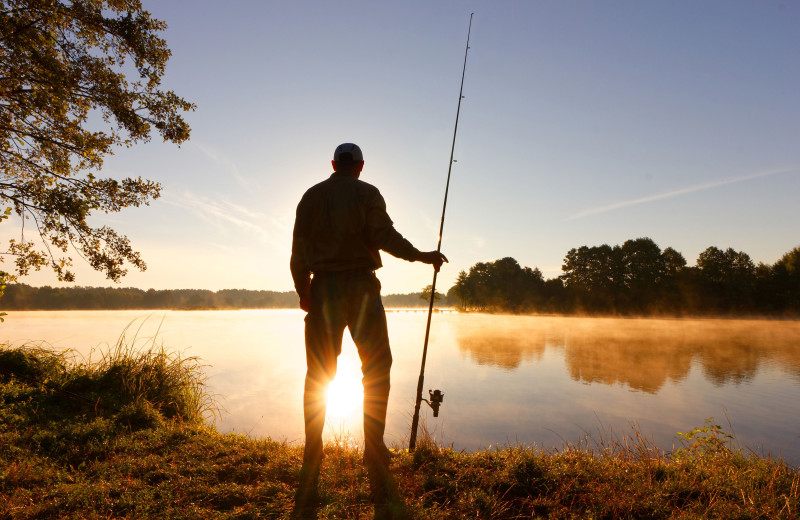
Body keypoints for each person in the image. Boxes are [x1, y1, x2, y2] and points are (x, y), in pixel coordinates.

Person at [290, 142, 447, 508]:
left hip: (323, 287)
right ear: (360, 166)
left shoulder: (310, 196)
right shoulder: (367, 192)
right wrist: (422, 256)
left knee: (318, 374)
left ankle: (314, 451)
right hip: (361, 287)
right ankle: (373, 450)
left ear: (334, 164)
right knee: (376, 369)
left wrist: (304, 291)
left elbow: (298, 251)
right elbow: (383, 236)